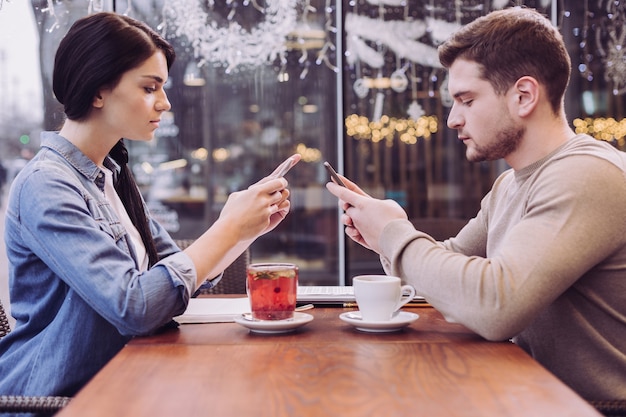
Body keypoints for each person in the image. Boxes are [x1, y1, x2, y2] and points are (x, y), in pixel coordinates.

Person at [326, 7, 626, 402]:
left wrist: (394, 234)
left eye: (466, 100)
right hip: (533, 393)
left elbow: (494, 304)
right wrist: (380, 235)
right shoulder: (509, 185)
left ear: (523, 96)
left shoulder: (586, 175)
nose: (452, 119)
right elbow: (450, 264)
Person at [0, 12, 299, 400]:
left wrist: (245, 230)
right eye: (149, 88)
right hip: (60, 400)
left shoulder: (111, 176)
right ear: (98, 91)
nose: (165, 103)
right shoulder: (46, 185)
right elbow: (136, 306)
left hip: (126, 380)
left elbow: (173, 275)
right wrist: (228, 228)